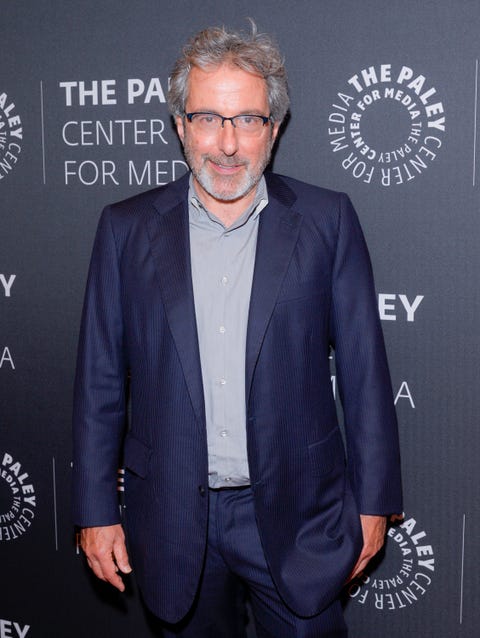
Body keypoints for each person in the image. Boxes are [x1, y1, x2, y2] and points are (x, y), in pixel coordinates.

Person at [72, 22, 402, 638]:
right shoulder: (125, 230)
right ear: (179, 125)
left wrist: (376, 499)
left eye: (248, 120)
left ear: (273, 129)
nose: (227, 143)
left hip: (299, 513)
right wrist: (95, 510)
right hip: (172, 512)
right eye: (208, 118)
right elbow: (99, 383)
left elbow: (363, 370)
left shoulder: (327, 222)